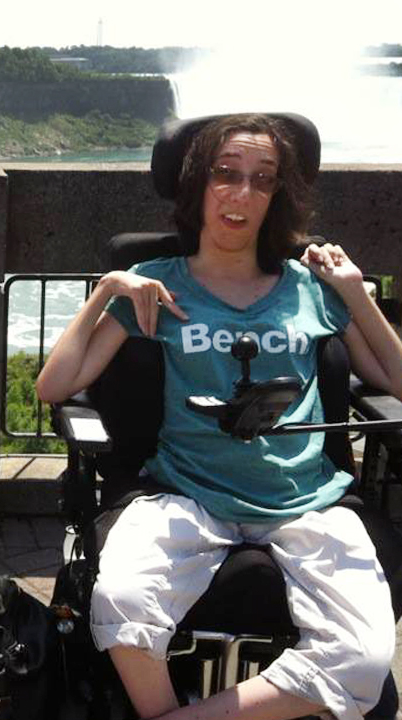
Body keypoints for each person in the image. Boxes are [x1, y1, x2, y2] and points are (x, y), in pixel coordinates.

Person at [36, 113, 402, 720]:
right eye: (226, 174)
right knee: (122, 608)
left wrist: (358, 292)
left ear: (277, 195)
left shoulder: (312, 287)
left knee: (364, 660)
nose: (241, 194)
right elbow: (56, 384)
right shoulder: (156, 283)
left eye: (262, 180)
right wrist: (105, 292)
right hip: (186, 494)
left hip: (306, 500)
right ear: (196, 185)